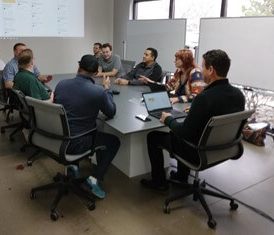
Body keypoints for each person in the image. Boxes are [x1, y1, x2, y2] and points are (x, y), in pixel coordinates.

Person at [140, 49, 245, 191]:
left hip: (198, 152)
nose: (201, 70)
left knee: (153, 137)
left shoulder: (204, 98)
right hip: (226, 148)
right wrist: (196, 111)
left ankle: (159, 182)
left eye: (203, 67)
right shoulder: (239, 95)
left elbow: (184, 132)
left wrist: (168, 119)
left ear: (211, 70)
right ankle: (182, 176)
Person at [54, 55, 120, 199]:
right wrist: (107, 89)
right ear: (96, 74)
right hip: (76, 143)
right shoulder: (98, 91)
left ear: (78, 68)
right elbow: (111, 112)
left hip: (56, 138)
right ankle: (94, 179)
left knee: (75, 121)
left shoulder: (61, 84)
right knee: (113, 141)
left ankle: (74, 166)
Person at [140, 49, 205, 103]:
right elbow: (168, 87)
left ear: (185, 60)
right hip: (179, 105)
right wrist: (151, 82)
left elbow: (197, 96)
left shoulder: (195, 73)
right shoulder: (179, 72)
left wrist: (178, 99)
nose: (174, 61)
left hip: (189, 107)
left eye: (177, 59)